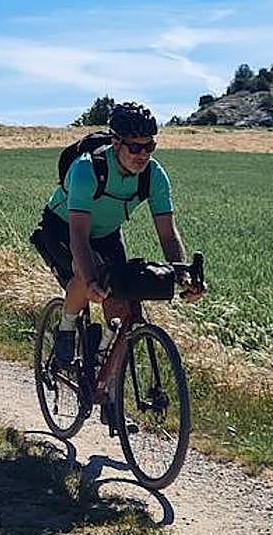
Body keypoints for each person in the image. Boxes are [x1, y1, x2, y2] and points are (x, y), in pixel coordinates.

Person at [33, 101, 204, 419]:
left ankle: (108, 391)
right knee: (86, 277)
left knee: (122, 309)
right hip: (63, 228)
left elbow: (168, 234)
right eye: (136, 147)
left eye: (150, 146)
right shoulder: (87, 169)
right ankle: (66, 329)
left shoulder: (153, 175)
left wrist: (182, 275)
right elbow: (79, 238)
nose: (143, 154)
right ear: (116, 142)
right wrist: (93, 280)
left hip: (107, 234)